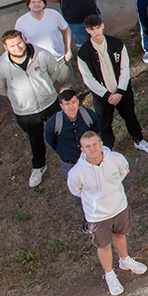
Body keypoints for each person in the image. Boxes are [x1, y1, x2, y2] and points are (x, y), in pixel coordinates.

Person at [67, 132, 147, 295]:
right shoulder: (76, 173)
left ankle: (125, 261)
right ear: (82, 150)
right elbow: (76, 191)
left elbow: (123, 172)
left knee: (120, 236)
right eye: (88, 146)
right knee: (104, 246)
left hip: (119, 208)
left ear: (101, 144)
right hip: (97, 217)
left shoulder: (116, 158)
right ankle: (109, 274)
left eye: (95, 144)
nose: (92, 149)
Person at [77, 15, 148, 154]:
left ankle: (139, 140)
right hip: (102, 95)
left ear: (103, 26)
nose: (96, 31)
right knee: (104, 122)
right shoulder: (83, 54)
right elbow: (88, 79)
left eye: (98, 27)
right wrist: (107, 95)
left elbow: (125, 68)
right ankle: (109, 148)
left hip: (122, 91)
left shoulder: (116, 44)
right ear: (87, 30)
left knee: (130, 115)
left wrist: (120, 92)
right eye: (92, 29)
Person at [0, 30, 62, 187]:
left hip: (49, 104)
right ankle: (39, 166)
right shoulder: (0, 67)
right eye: (12, 46)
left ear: (24, 39)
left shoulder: (41, 54)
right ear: (5, 47)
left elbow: (54, 72)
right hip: (26, 112)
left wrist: (45, 90)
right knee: (35, 139)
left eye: (19, 43)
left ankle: (71, 156)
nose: (17, 47)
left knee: (61, 131)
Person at [44, 89, 100, 222]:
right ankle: (88, 219)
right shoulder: (54, 123)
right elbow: (51, 141)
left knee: (97, 185)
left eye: (74, 102)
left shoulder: (88, 115)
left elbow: (97, 132)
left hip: (90, 160)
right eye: (67, 104)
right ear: (61, 106)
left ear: (78, 102)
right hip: (70, 164)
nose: (71, 107)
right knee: (78, 192)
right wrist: (64, 152)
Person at [15, 0, 73, 89]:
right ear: (28, 5)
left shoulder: (54, 14)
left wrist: (68, 50)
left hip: (60, 59)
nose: (36, 4)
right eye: (33, 2)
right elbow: (19, 42)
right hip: (38, 63)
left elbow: (66, 29)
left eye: (39, 1)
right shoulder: (21, 22)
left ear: (44, 4)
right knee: (48, 91)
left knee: (66, 88)